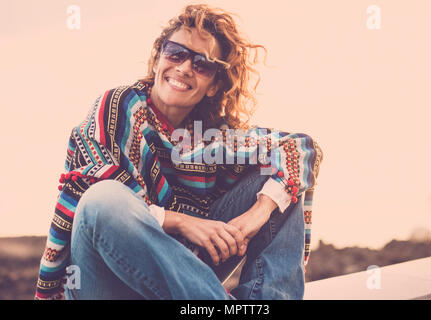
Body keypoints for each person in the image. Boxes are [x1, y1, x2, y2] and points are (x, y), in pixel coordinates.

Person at [35, 4, 323, 300]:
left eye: (202, 64)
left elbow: (300, 148)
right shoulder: (120, 105)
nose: (184, 67)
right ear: (158, 59)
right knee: (102, 199)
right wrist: (183, 222)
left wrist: (258, 213)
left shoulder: (213, 138)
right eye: (176, 53)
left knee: (281, 180)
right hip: (104, 282)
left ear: (213, 85)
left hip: (179, 281)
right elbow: (91, 193)